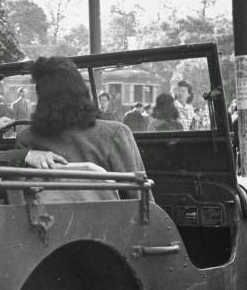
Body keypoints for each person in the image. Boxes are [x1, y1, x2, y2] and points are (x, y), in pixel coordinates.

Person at [15, 56, 148, 198]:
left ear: (41, 96)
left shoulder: (25, 139)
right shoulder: (116, 133)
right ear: (82, 90)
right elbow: (141, 199)